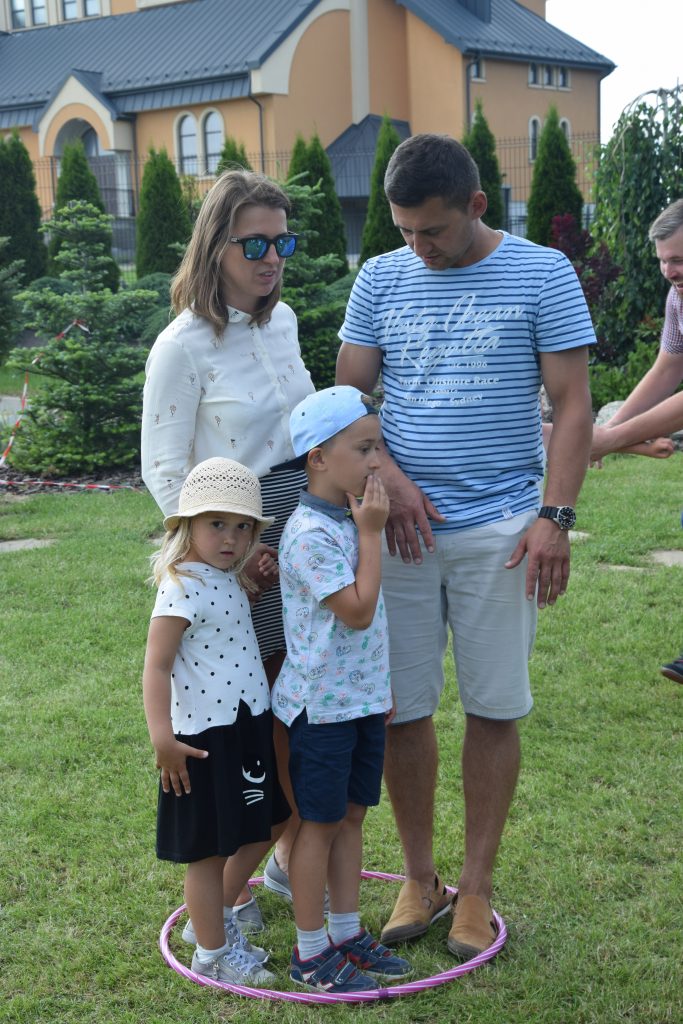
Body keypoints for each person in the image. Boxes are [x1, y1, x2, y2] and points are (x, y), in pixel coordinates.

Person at [336, 133, 595, 958]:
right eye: (404, 230)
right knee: (402, 710)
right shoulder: (381, 278)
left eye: (433, 230)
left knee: (493, 705)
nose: (418, 247)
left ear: (477, 205)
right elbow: (347, 396)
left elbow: (573, 403)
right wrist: (386, 474)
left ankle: (475, 889)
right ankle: (419, 878)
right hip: (398, 530)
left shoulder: (541, 274)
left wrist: (554, 516)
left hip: (503, 528)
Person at [141, 169, 315, 929]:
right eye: (254, 244)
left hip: (304, 532)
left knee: (306, 703)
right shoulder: (181, 345)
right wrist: (231, 560)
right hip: (242, 549)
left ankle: (285, 861)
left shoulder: (284, 322)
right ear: (215, 245)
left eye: (282, 242)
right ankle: (235, 887)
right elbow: (164, 472)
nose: (272, 258)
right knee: (268, 717)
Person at [270, 386, 412, 993]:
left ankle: (347, 934)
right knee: (319, 825)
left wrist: (378, 691)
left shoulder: (350, 518)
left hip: (358, 702)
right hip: (321, 711)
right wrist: (372, 535)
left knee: (352, 817)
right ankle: (310, 954)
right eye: (364, 448)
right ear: (318, 459)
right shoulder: (310, 534)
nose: (377, 461)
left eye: (378, 447)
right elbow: (356, 611)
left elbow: (368, 631)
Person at [142, 457, 290, 985]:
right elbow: (156, 666)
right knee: (207, 850)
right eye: (217, 523)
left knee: (272, 819)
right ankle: (211, 953)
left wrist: (250, 581)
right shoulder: (180, 586)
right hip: (203, 738)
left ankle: (215, 915)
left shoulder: (226, 577)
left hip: (246, 726)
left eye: (243, 526)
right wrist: (163, 738)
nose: (231, 537)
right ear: (188, 525)